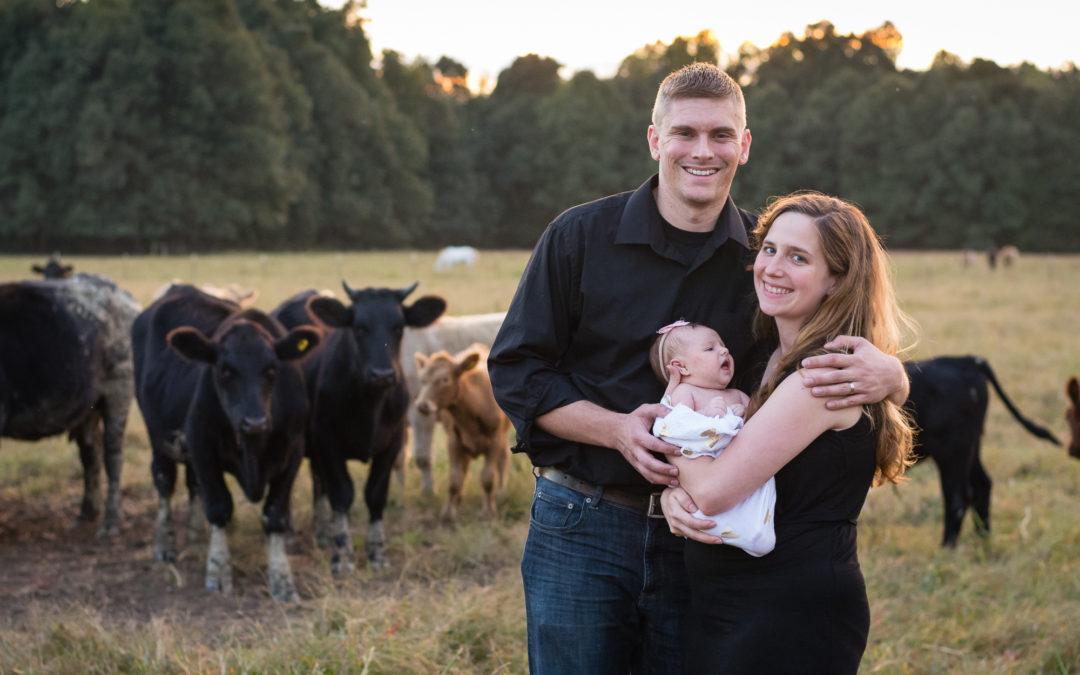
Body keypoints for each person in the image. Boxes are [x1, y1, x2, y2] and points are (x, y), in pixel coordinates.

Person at [488, 62, 909, 674]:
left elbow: (814, 367)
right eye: (684, 133)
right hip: (584, 521)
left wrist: (894, 376)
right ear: (655, 139)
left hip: (712, 540)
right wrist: (615, 430)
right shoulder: (579, 237)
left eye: (720, 135)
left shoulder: (763, 264)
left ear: (744, 145)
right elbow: (516, 371)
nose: (701, 151)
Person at [661, 191, 916, 673]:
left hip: (788, 612)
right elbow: (726, 469)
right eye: (770, 249)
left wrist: (673, 430)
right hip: (734, 601)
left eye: (798, 258)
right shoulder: (758, 359)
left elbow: (714, 489)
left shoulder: (819, 377)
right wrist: (676, 496)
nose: (772, 268)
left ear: (836, 280)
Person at [648, 320, 776, 557]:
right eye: (710, 349)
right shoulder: (685, 393)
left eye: (723, 345)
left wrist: (742, 416)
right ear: (681, 367)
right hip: (705, 470)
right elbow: (678, 427)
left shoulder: (737, 394)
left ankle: (753, 526)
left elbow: (759, 427)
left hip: (737, 472)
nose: (724, 351)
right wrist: (709, 420)